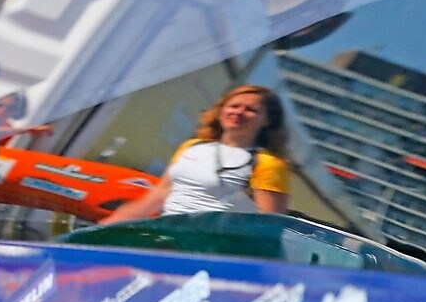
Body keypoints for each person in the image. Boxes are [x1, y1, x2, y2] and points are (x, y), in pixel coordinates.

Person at [101, 84, 291, 221]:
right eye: (233, 106)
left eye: (251, 110)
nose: (238, 112)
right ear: (221, 110)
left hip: (213, 248)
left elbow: (268, 224)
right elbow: (159, 195)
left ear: (268, 121)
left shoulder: (267, 164)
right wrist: (110, 225)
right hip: (168, 235)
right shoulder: (192, 146)